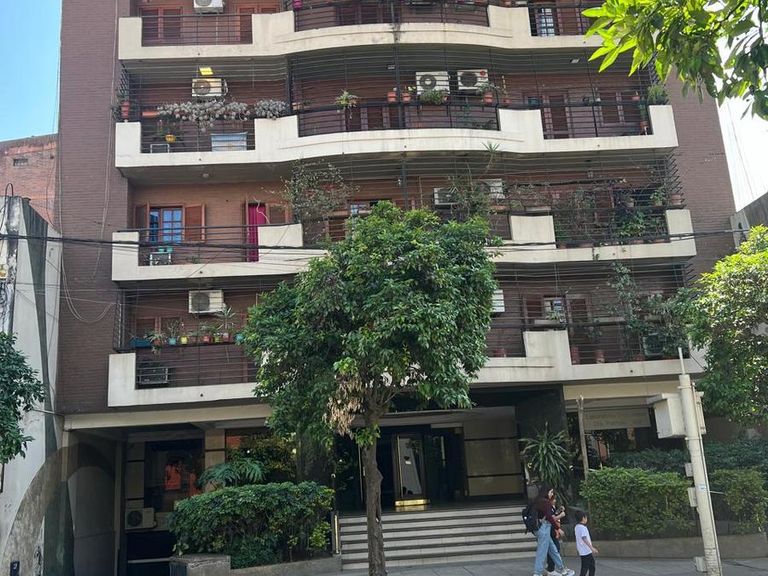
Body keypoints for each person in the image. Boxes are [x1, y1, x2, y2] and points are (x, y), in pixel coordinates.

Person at [533, 485, 574, 576]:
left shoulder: (537, 501)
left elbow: (547, 515)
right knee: (542, 552)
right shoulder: (545, 502)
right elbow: (549, 517)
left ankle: (562, 569)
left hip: (540, 528)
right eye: (551, 492)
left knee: (553, 550)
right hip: (544, 528)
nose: (552, 494)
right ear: (546, 492)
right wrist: (558, 528)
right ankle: (537, 573)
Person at [546, 492, 566, 574]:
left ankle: (550, 568)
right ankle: (552, 569)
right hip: (551, 531)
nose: (554, 501)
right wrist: (561, 515)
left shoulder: (552, 507)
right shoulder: (548, 507)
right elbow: (552, 518)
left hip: (553, 531)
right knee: (554, 550)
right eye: (553, 499)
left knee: (554, 550)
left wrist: (559, 510)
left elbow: (554, 514)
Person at [574, 511, 598, 576]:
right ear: (583, 518)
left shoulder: (577, 527)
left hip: (584, 551)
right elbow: (584, 538)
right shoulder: (582, 528)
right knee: (585, 568)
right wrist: (592, 548)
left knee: (591, 566)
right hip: (586, 551)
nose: (586, 519)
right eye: (586, 518)